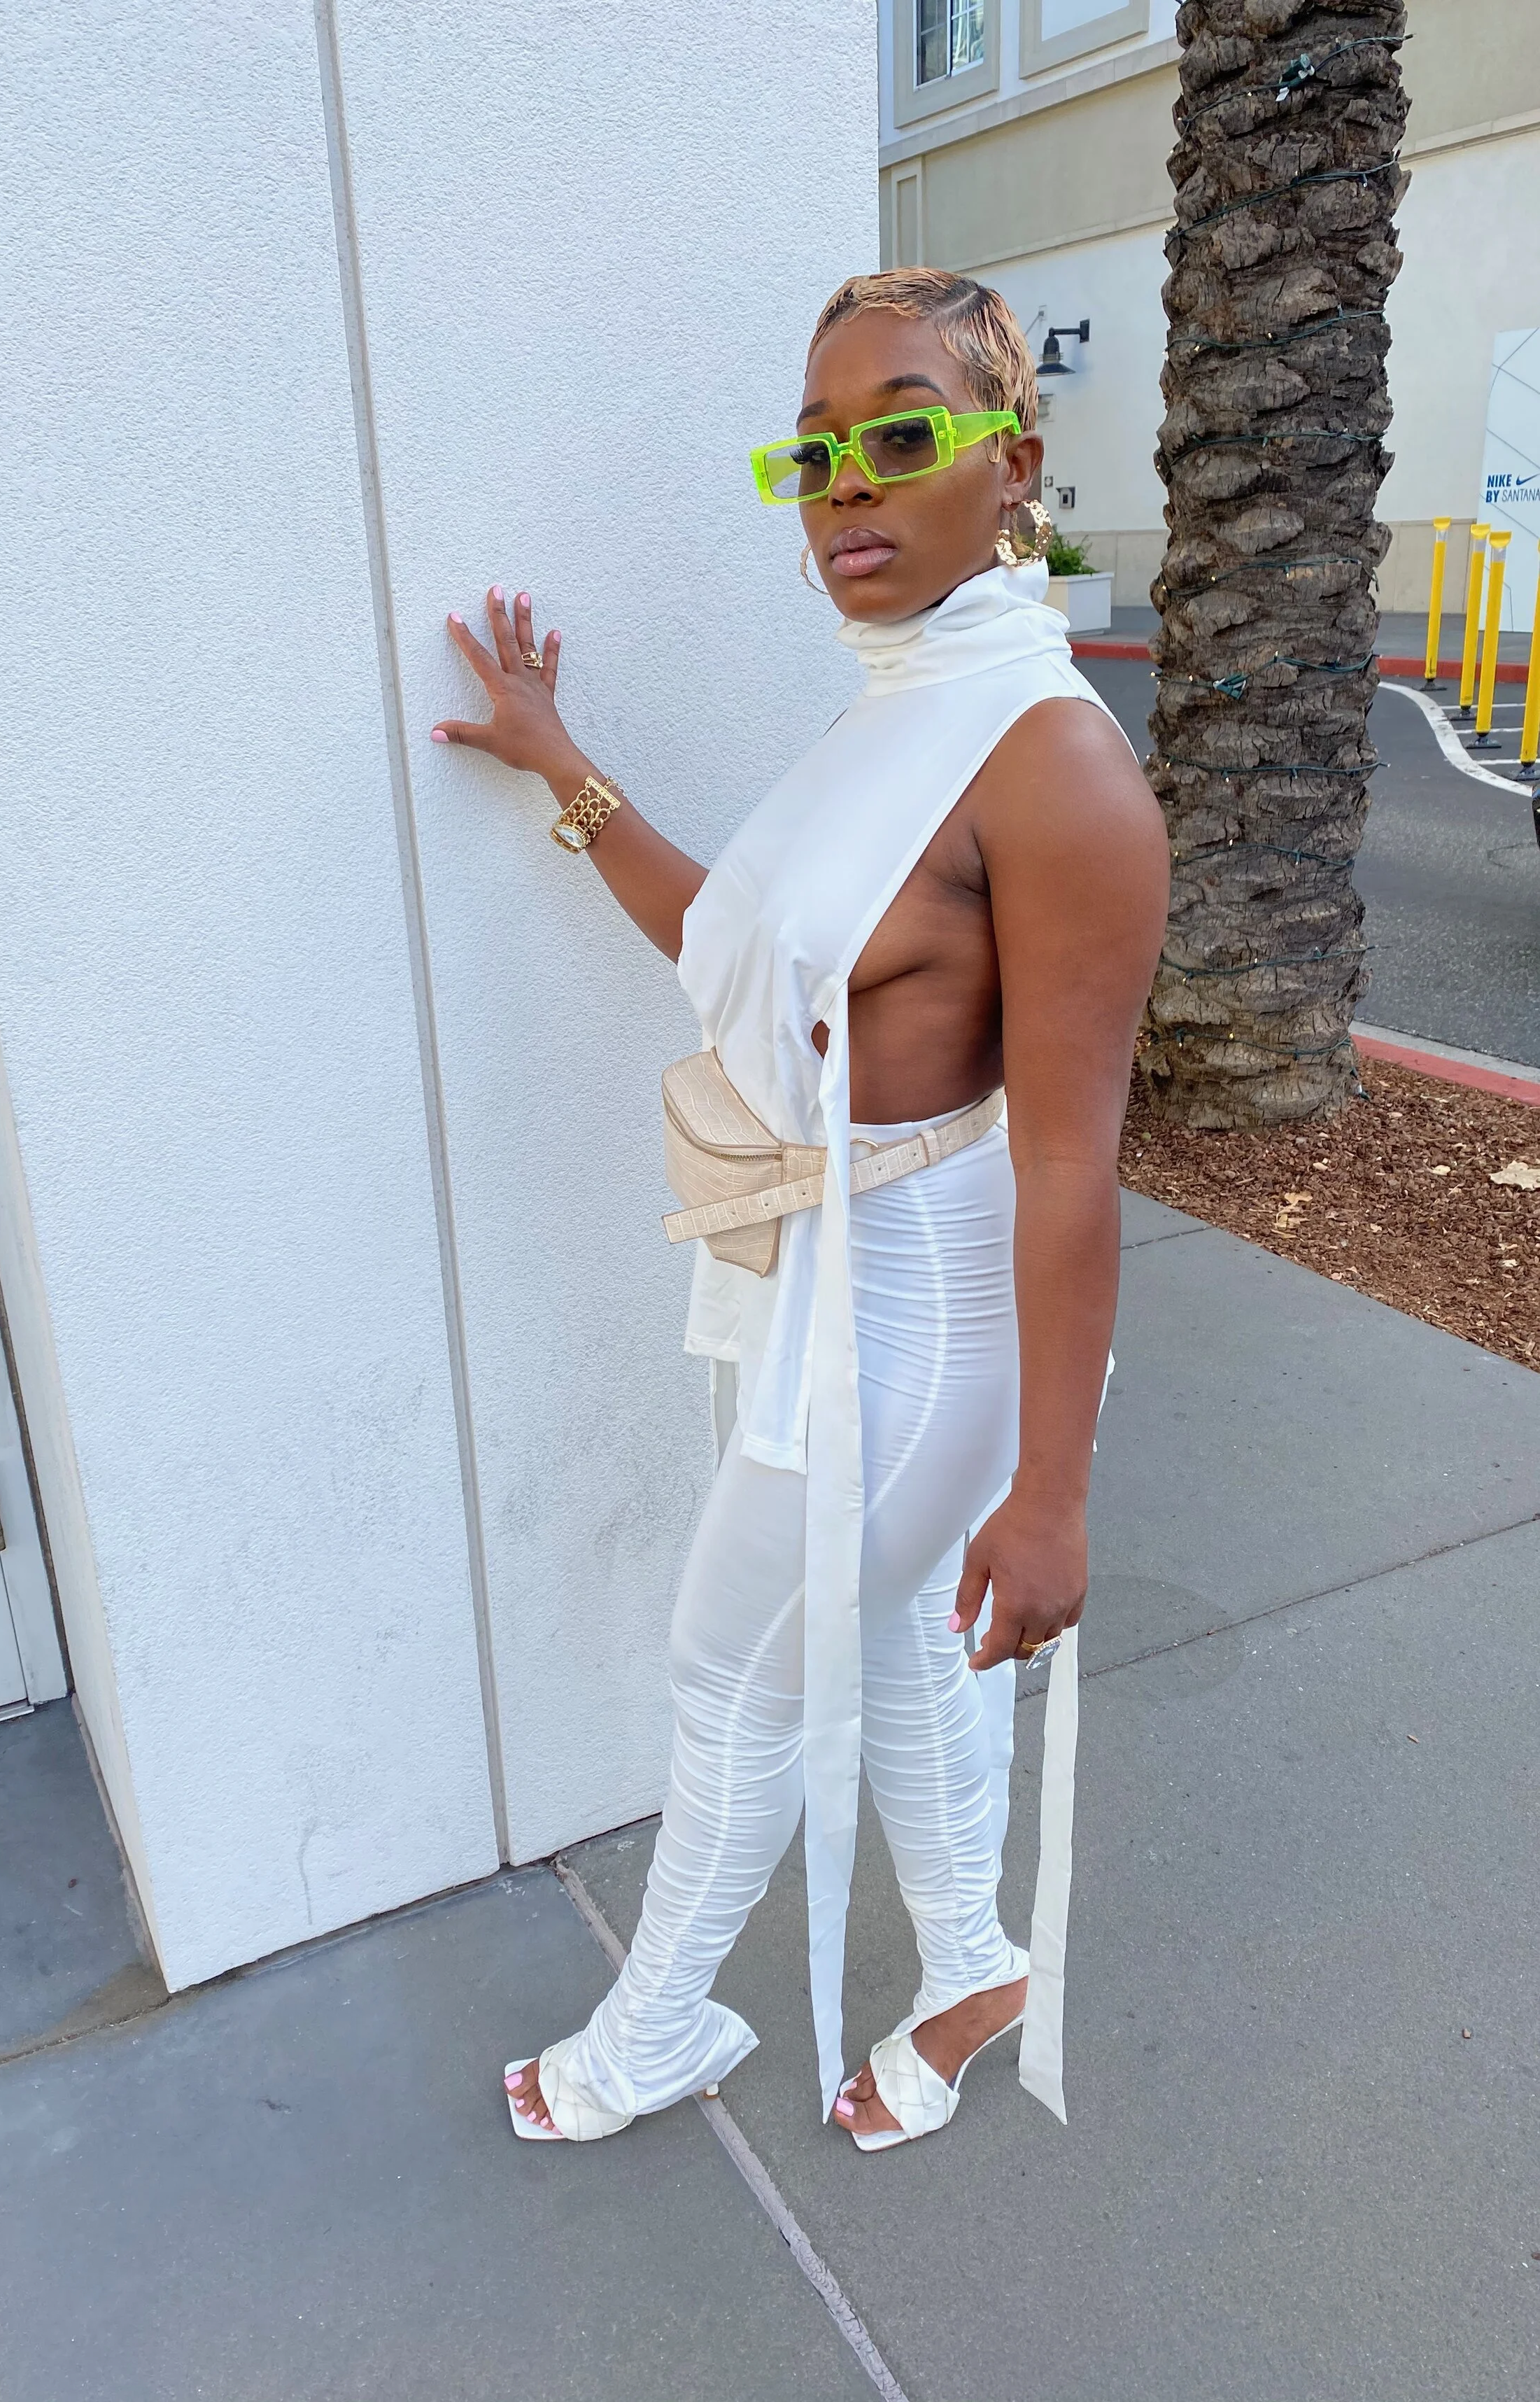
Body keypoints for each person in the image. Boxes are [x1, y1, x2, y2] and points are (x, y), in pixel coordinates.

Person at [433, 269, 1168, 2151]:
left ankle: (657, 2025)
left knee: (726, 1674)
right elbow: (731, 949)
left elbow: (1072, 1159)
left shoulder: (1059, 768)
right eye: (813, 450)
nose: (846, 487)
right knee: (903, 1634)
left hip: (925, 1332)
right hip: (818, 1288)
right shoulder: (883, 720)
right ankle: (968, 1965)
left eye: (900, 434)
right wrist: (561, 768)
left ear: (1009, 465)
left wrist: (1055, 1491)